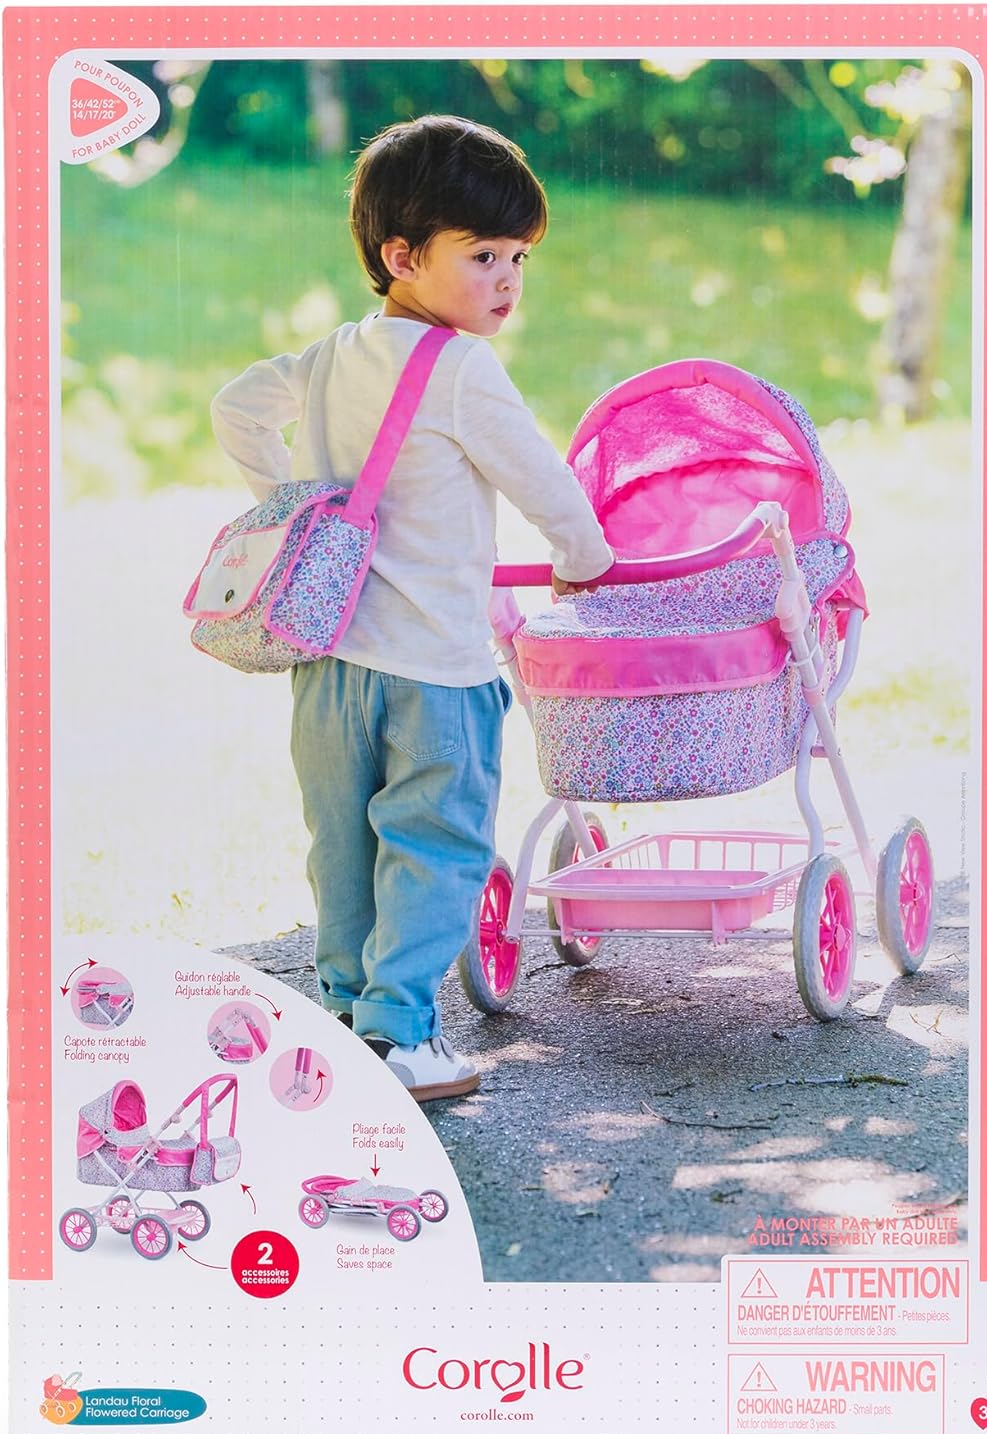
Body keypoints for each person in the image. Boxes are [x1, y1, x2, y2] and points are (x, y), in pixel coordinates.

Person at [211, 115, 614, 1102]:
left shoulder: (330, 355)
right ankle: (399, 1035)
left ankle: (346, 1016)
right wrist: (582, 558)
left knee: (342, 844)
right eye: (481, 255)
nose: (508, 278)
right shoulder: (464, 370)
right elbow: (543, 485)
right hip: (435, 672)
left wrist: (285, 498)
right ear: (401, 255)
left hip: (328, 671)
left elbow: (232, 404)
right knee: (434, 847)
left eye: (518, 256)